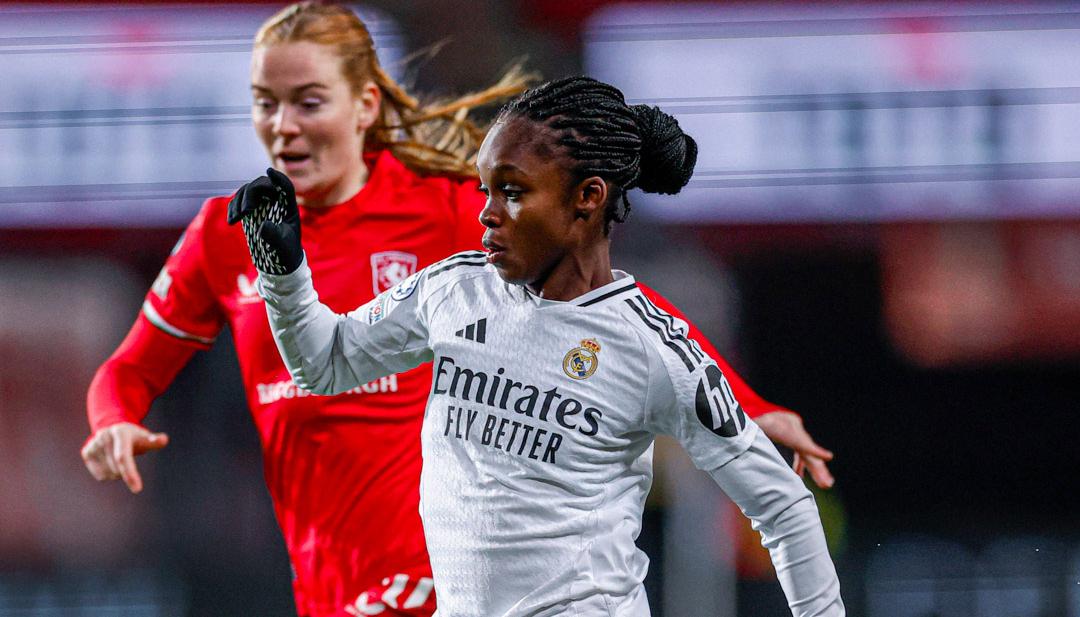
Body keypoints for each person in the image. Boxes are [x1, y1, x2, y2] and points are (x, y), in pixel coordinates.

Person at [80, 3, 831, 616]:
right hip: (329, 591)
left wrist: (748, 405)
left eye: (309, 102)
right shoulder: (232, 232)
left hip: (449, 582)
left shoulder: (451, 217)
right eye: (265, 104)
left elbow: (625, 316)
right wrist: (113, 416)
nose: (284, 124)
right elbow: (153, 366)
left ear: (365, 104)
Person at [236, 75, 844, 616]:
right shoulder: (453, 290)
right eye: (485, 191)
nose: (487, 215)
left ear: (588, 197)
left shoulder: (651, 348)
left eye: (513, 191)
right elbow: (326, 363)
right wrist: (284, 270)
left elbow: (784, 507)